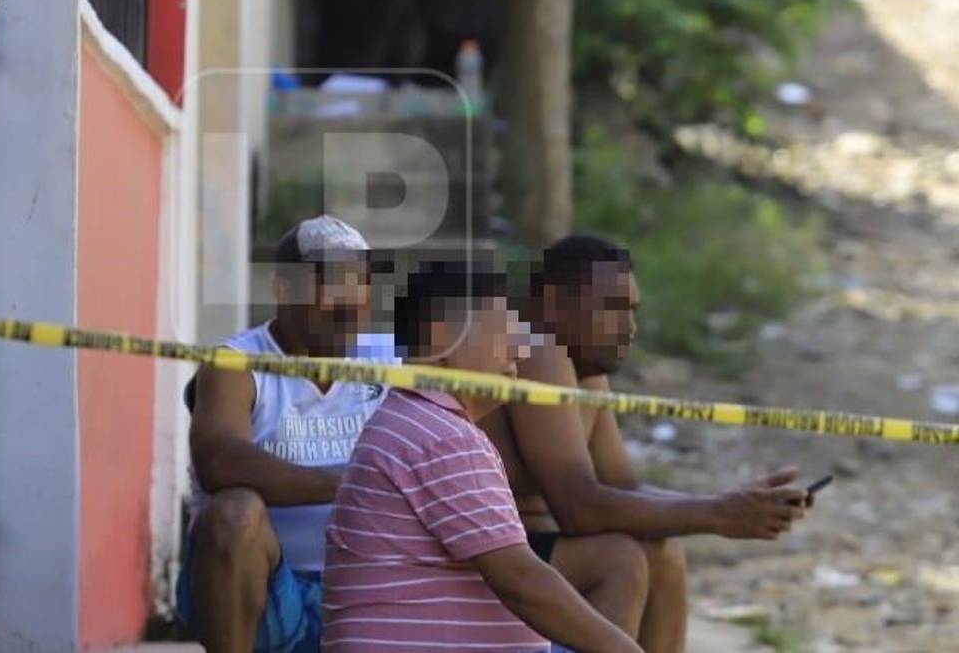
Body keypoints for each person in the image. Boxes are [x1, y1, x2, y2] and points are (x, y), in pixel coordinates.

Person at [480, 235, 812, 653]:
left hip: (536, 551)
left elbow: (622, 490)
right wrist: (716, 514)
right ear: (552, 302)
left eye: (632, 311)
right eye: (612, 309)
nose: (629, 327)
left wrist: (728, 503)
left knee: (663, 553)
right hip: (489, 557)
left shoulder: (583, 368)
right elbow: (579, 508)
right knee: (617, 561)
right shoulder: (534, 347)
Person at [323, 262, 642, 653]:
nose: (519, 348)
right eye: (503, 330)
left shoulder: (419, 419)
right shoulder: (441, 437)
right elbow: (520, 580)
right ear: (442, 338)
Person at [178, 215, 394, 653]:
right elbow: (218, 461)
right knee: (235, 511)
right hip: (271, 598)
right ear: (282, 289)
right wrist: (350, 483)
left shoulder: (390, 361)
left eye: (359, 285)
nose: (348, 302)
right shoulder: (236, 364)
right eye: (330, 285)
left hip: (367, 595)